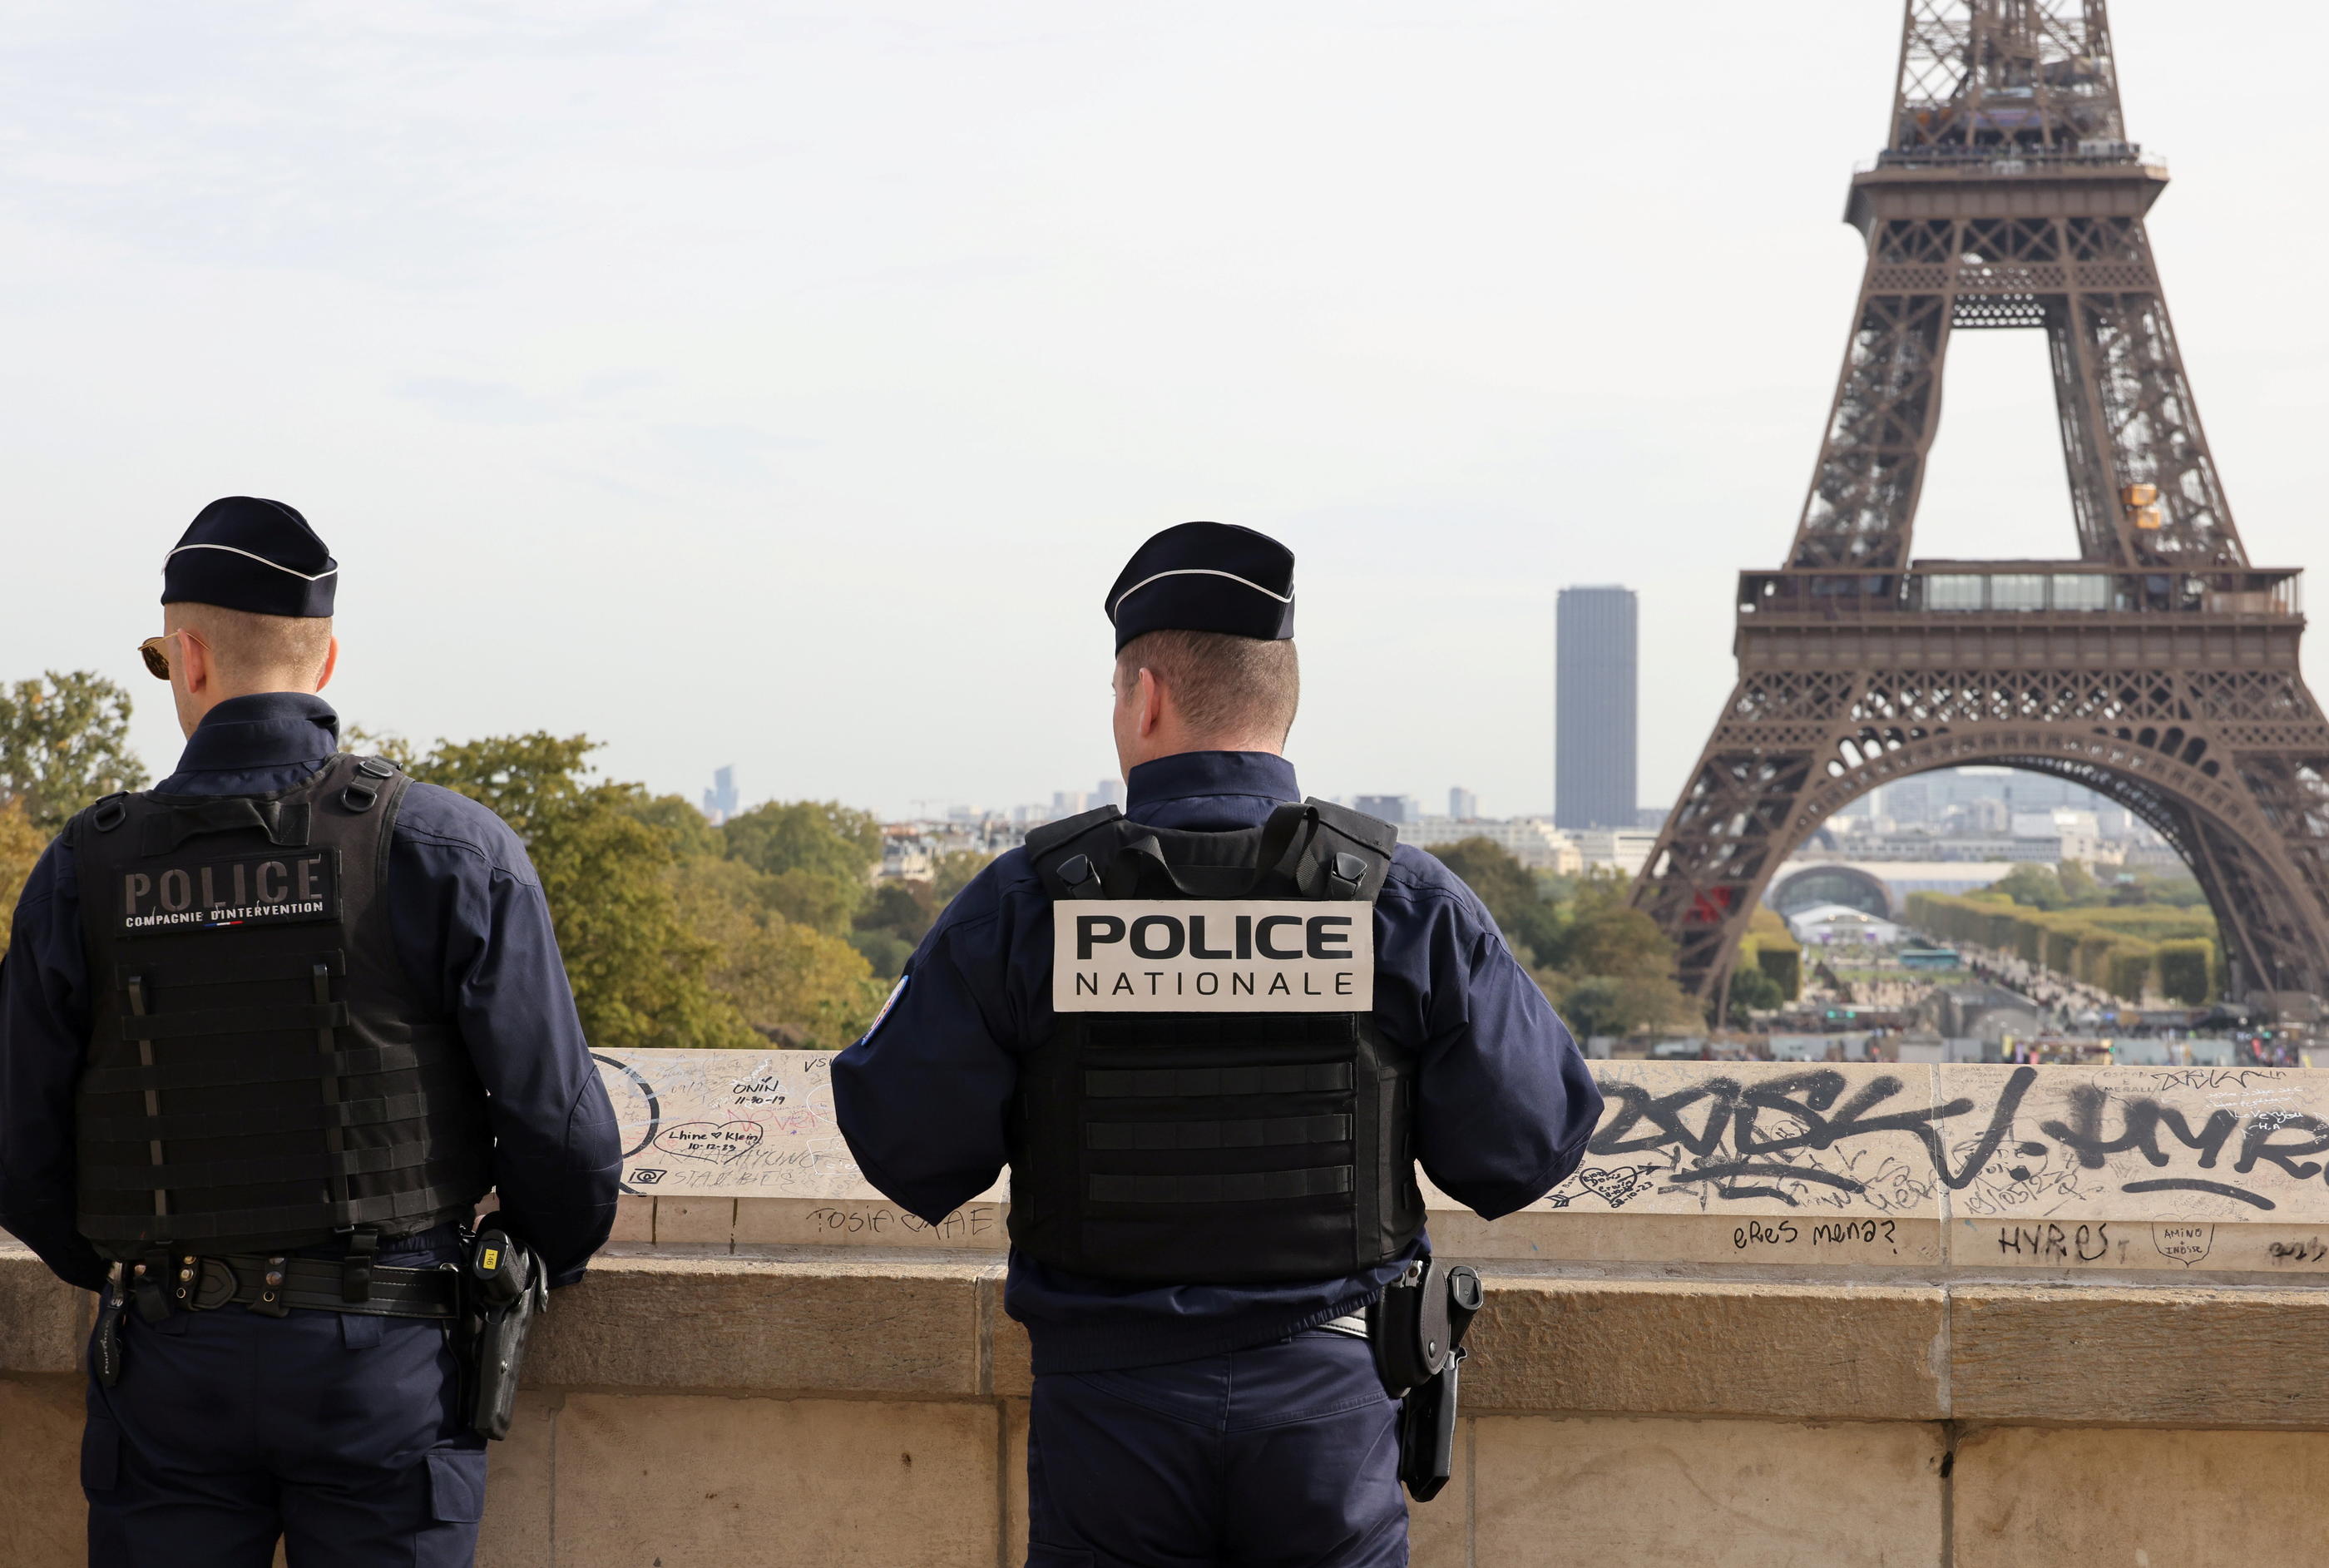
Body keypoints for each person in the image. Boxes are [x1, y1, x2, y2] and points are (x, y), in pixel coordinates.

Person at [833, 521, 1602, 1568]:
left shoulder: (1024, 904)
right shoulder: (1403, 901)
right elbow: (1524, 1147)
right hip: (1331, 1399)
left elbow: (908, 1143)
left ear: (1144, 696)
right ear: (1281, 703)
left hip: (1109, 1416)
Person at [0, 497, 621, 1567]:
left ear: (186, 657)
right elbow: (562, 1138)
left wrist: (145, 1270)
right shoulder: (445, 848)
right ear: (324, 663)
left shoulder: (85, 869)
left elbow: (18, 1143)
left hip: (169, 1355)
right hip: (390, 1358)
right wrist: (508, 1273)